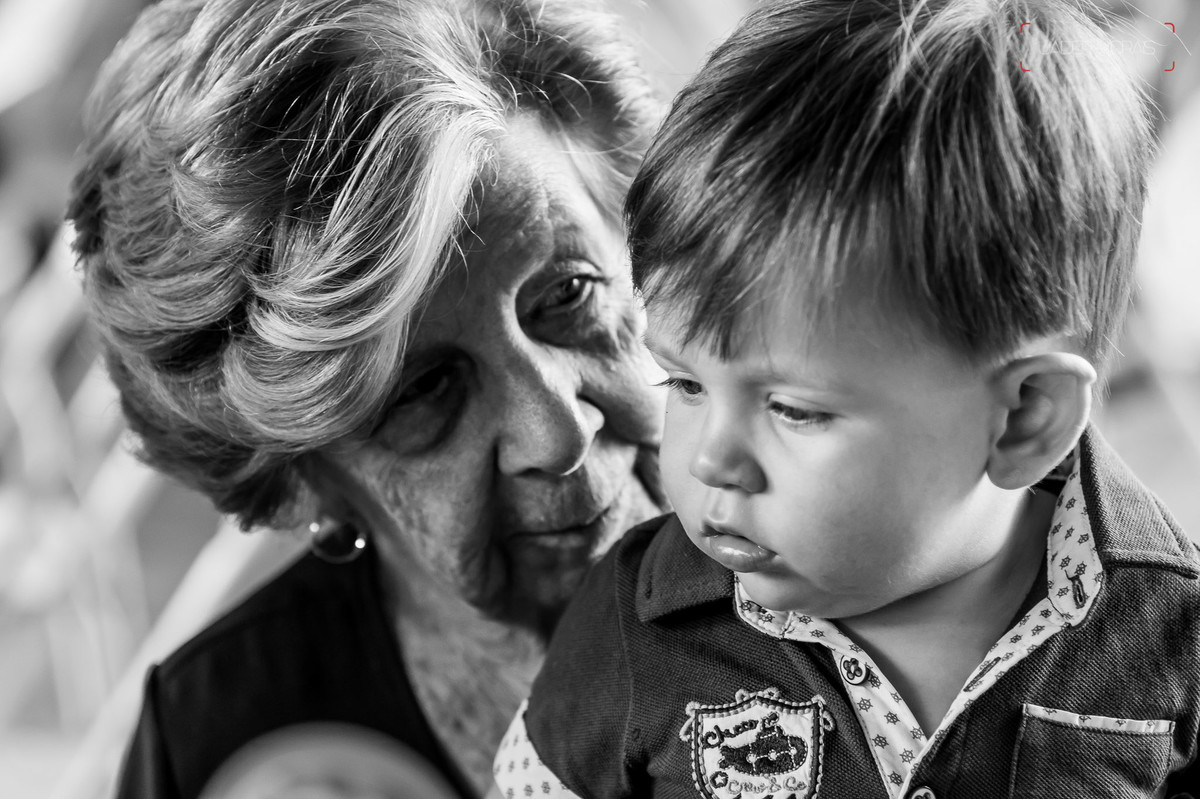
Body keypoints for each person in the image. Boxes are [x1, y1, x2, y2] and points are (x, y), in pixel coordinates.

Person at [491, 0, 1200, 797]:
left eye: (794, 409)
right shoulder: (627, 627)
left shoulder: (1172, 639)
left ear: (1025, 417)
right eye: (685, 382)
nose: (709, 459)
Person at [66, 0, 666, 796]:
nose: (557, 433)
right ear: (299, 478)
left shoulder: (850, 593)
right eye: (423, 388)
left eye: (569, 295)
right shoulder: (223, 742)